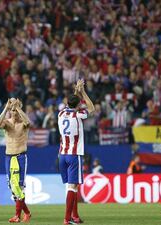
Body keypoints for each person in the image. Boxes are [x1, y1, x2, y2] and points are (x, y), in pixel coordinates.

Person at [58, 79, 95, 225]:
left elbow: (72, 104)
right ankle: (67, 219)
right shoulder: (79, 115)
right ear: (79, 105)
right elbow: (91, 108)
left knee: (70, 186)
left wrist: (76, 92)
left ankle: (75, 216)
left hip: (62, 154)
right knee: (73, 188)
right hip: (74, 155)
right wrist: (83, 92)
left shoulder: (61, 114)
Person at [0, 98, 32, 223]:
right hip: (9, 157)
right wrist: (6, 107)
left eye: (15, 110)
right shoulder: (7, 123)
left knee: (20, 187)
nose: (13, 112)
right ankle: (27, 212)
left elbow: (28, 122)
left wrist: (17, 107)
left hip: (21, 157)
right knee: (13, 188)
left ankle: (17, 215)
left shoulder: (23, 123)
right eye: (12, 110)